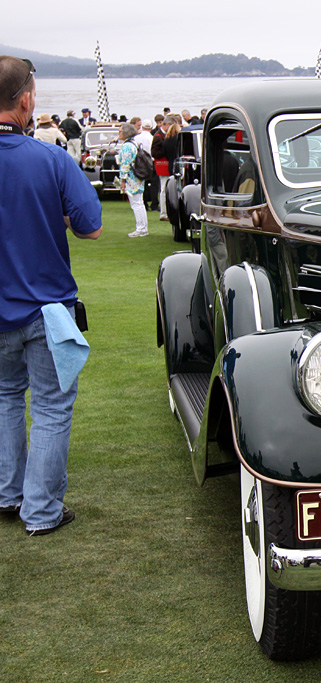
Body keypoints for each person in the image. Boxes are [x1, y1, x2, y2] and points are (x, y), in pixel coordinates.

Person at [0, 55, 103, 536]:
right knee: (50, 408)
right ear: (25, 101)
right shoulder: (51, 158)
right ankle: (40, 511)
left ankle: (8, 493)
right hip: (46, 308)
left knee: (4, 399)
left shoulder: (48, 157)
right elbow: (92, 227)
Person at [116, 123, 149, 237]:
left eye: (120, 131)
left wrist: (123, 180)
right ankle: (143, 227)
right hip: (137, 177)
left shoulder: (127, 146)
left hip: (132, 178)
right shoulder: (134, 143)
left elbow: (125, 164)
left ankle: (141, 228)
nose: (119, 134)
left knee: (136, 204)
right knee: (139, 203)